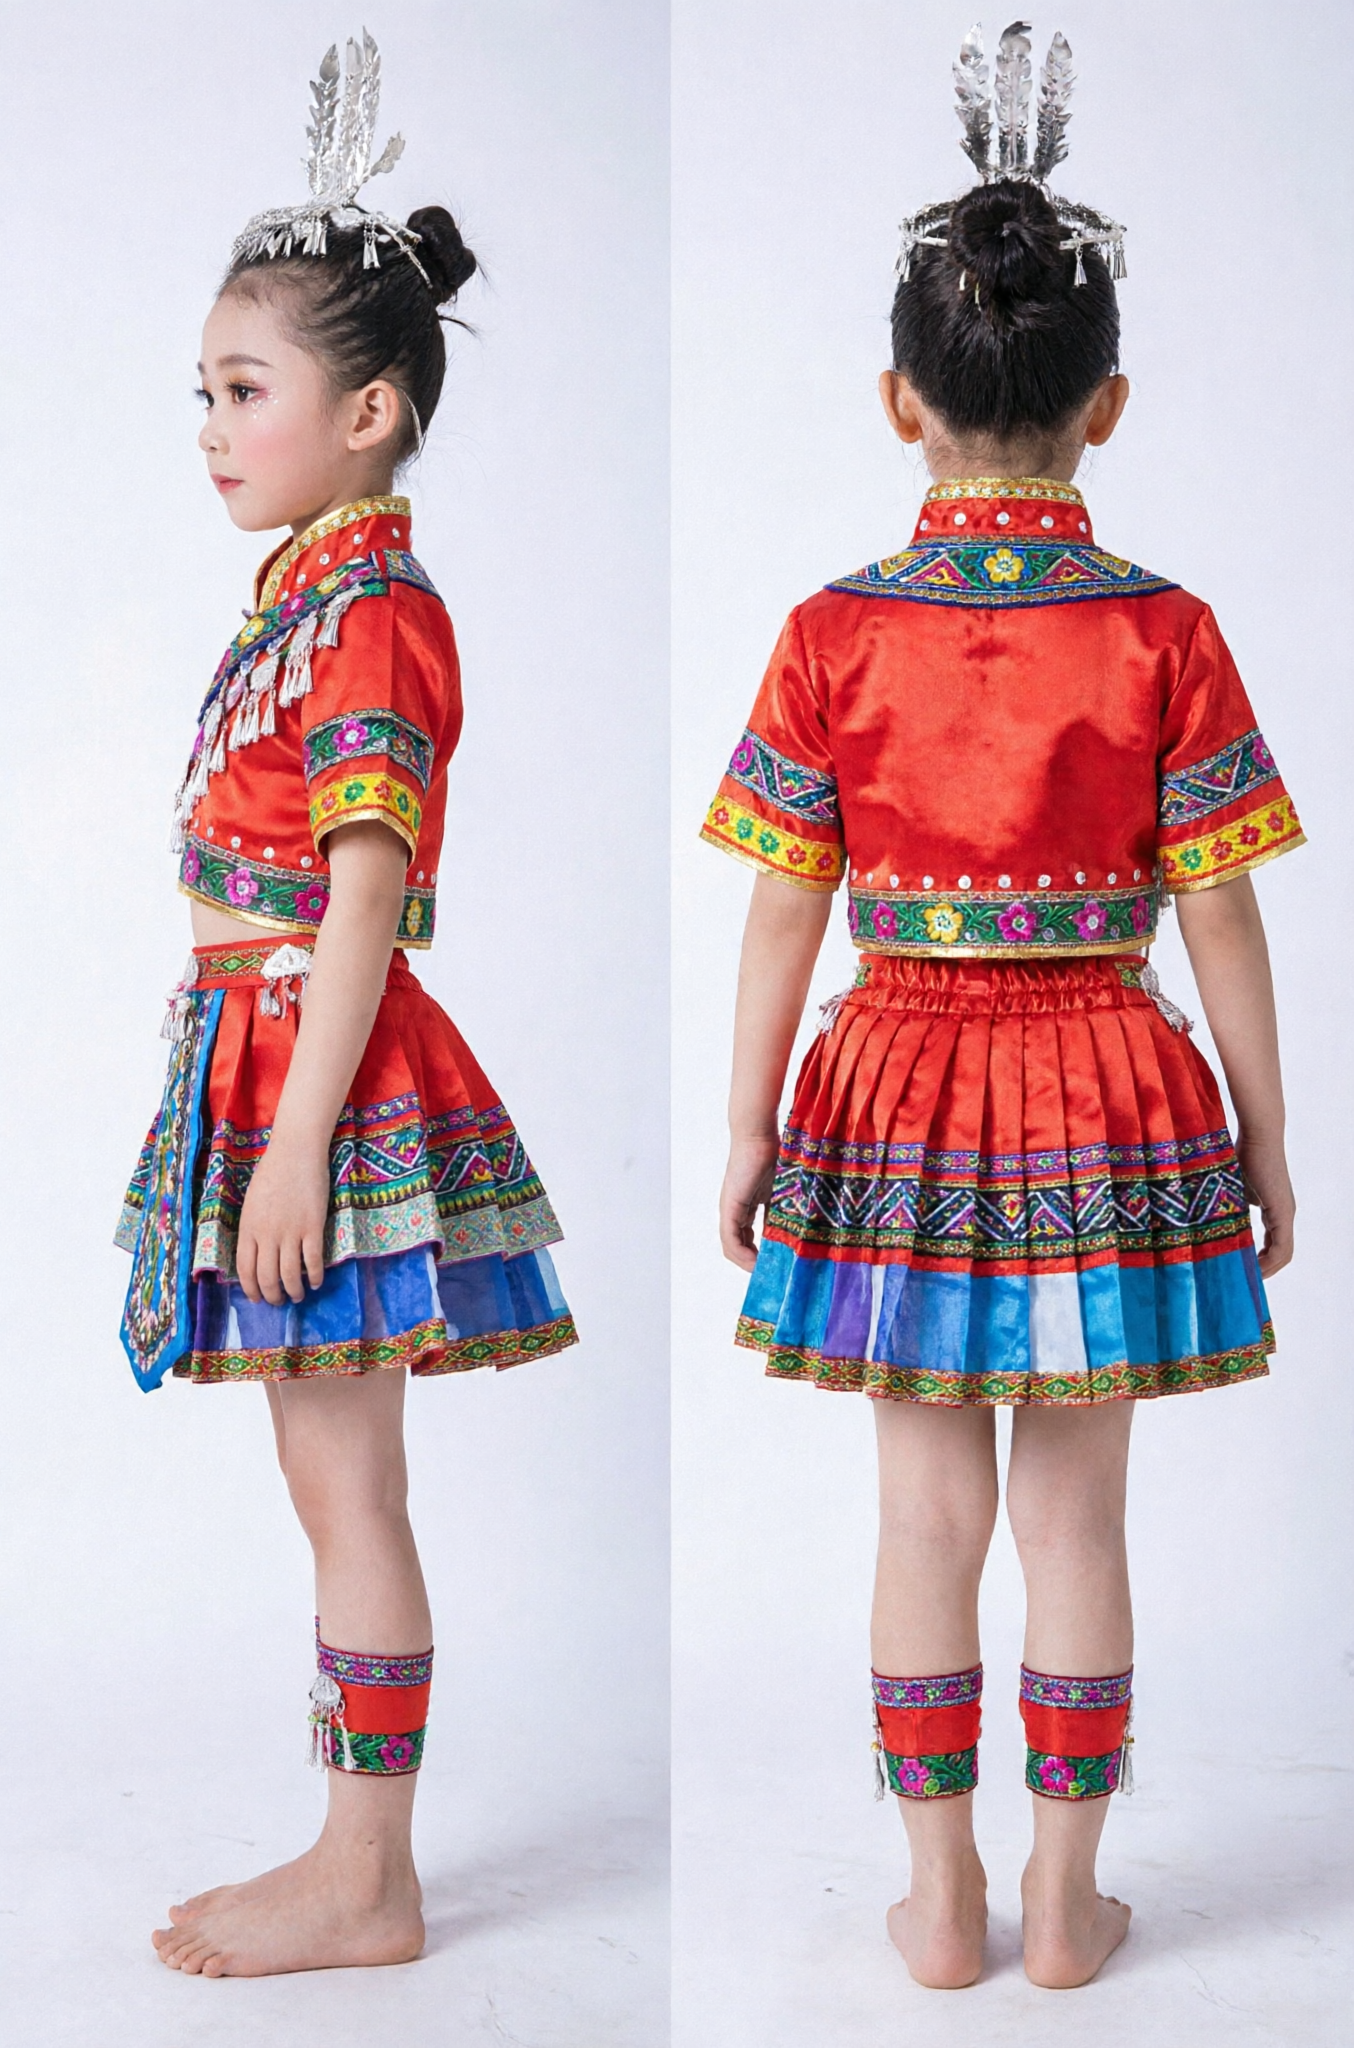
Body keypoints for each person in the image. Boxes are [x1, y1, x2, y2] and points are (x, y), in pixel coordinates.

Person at [708, 24, 1298, 1993]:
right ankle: (1067, 1898)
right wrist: (1266, 1132)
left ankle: (938, 1889)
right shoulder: (1163, 627)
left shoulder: (827, 631)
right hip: (1114, 1085)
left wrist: (744, 1125)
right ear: (1103, 402)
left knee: (918, 1506)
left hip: (883, 1082)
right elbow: (1218, 919)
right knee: (1080, 1514)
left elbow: (783, 917)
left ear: (901, 400)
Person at [118, 33, 577, 1979]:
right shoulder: (307, 592)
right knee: (328, 1474)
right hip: (268, 1042)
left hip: (329, 1065)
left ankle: (366, 1871)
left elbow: (366, 878)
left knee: (345, 1473)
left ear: (371, 410)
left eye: (245, 391)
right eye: (203, 392)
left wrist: (294, 1138)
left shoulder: (375, 607)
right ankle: (350, 1851)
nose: (210, 427)